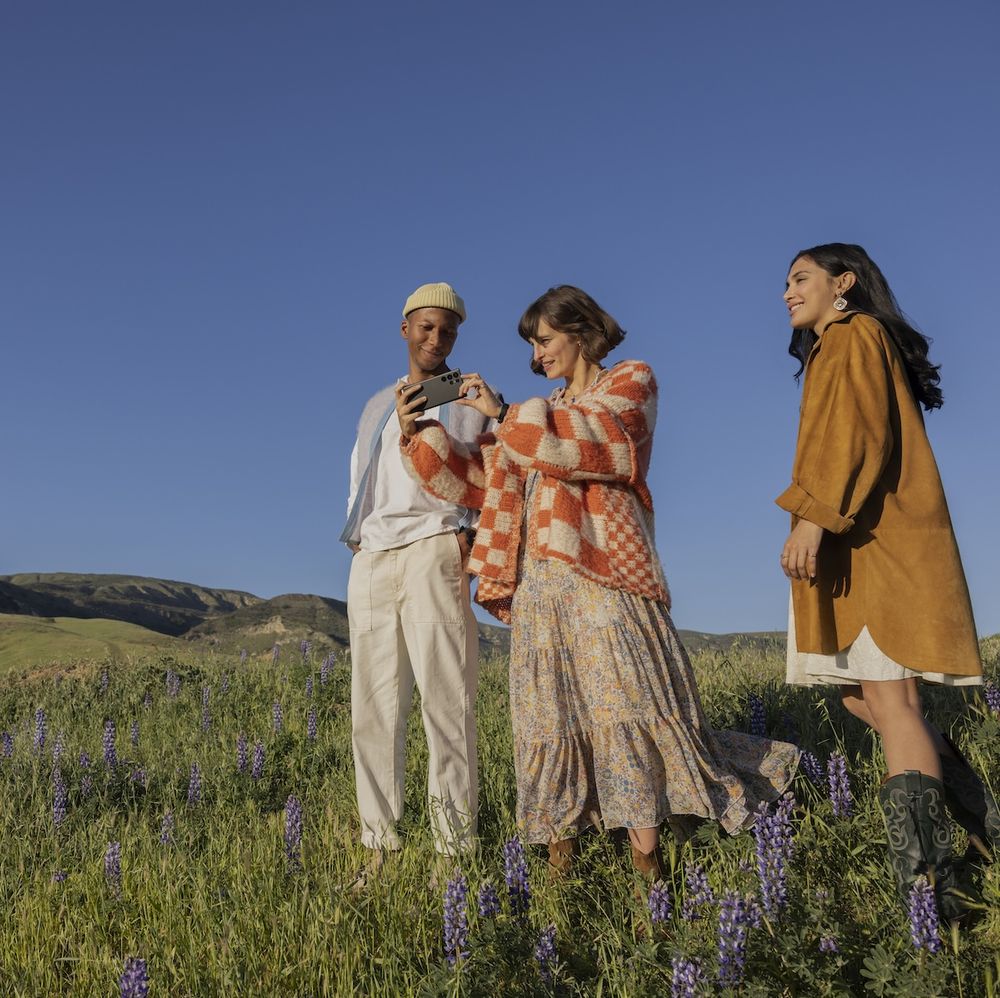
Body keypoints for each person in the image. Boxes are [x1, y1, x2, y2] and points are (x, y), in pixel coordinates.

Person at [396, 284, 799, 882]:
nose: (537, 355)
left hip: (607, 574)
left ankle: (649, 869)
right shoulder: (538, 410)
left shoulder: (630, 382)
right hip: (541, 583)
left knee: (628, 707)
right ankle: (559, 872)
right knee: (548, 717)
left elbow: (599, 443)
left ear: (580, 333)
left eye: (545, 340)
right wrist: (419, 432)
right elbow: (478, 478)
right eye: (533, 345)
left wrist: (505, 415)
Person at [777, 243, 995, 918]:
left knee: (892, 701)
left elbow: (856, 436)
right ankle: (986, 826)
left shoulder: (854, 333)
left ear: (843, 282)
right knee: (859, 697)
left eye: (800, 278)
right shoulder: (840, 343)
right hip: (858, 537)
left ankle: (933, 890)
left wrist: (813, 520)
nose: (787, 292)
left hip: (874, 542)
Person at [341, 282, 489, 870]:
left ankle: (453, 852)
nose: (436, 338)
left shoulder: (469, 395)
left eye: (448, 330)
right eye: (426, 327)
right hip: (374, 558)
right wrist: (358, 542)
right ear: (405, 328)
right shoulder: (377, 405)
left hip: (435, 549)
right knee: (372, 708)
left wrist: (468, 535)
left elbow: (489, 469)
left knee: (447, 705)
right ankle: (379, 846)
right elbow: (361, 479)